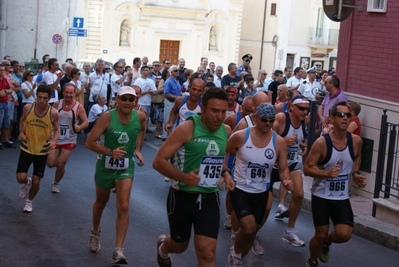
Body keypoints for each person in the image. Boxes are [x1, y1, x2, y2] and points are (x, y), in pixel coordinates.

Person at [153, 87, 234, 267]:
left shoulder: (226, 130)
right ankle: (163, 248)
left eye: (223, 111)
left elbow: (219, 157)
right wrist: (183, 177)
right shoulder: (186, 129)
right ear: (203, 108)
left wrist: (225, 174)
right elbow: (158, 161)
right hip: (182, 196)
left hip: (209, 198)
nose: (220, 116)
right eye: (215, 111)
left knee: (207, 253)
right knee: (179, 245)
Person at [224, 103, 294, 266]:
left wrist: (286, 179)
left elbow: (283, 168)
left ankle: (237, 258)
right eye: (264, 120)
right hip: (240, 188)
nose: (268, 124)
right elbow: (224, 150)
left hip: (261, 191)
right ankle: (234, 250)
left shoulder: (279, 142)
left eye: (271, 120)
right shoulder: (241, 136)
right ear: (255, 118)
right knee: (248, 228)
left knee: (252, 232)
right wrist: (225, 172)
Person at [85, 86, 145, 264]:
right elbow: (89, 142)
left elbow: (141, 130)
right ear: (117, 100)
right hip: (105, 166)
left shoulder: (140, 116)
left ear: (135, 102)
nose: (127, 102)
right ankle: (95, 231)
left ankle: (118, 250)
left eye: (131, 99)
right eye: (124, 99)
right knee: (101, 202)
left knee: (124, 205)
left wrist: (138, 150)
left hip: (125, 167)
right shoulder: (107, 117)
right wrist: (110, 152)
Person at [303, 102, 366, 267]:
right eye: (341, 115)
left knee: (344, 234)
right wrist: (326, 173)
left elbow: (357, 156)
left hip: (341, 197)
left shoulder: (356, 141)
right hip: (321, 196)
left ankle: (327, 242)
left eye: (348, 115)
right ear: (331, 118)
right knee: (320, 234)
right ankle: (311, 260)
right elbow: (307, 168)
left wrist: (355, 173)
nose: (345, 119)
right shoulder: (322, 143)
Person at [271, 95, 309, 247]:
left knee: (299, 194)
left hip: (291, 164)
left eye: (307, 109)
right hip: (272, 165)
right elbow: (265, 137)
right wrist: (282, 142)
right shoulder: (280, 118)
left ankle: (289, 232)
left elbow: (301, 137)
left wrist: (301, 145)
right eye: (301, 108)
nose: (305, 112)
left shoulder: (305, 121)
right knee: (264, 206)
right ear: (291, 106)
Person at [17, 85, 60, 212]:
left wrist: (54, 141)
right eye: (39, 97)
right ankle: (26, 182)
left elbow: (57, 129)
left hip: (42, 151)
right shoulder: (28, 108)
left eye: (45, 98)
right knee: (20, 178)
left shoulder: (53, 113)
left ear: (49, 98)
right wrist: (21, 133)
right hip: (27, 147)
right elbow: (22, 120)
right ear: (36, 96)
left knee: (37, 181)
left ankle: (29, 202)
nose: (41, 101)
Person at [46, 83, 88, 193]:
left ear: (74, 93)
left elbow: (86, 122)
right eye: (67, 92)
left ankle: (55, 183)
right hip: (56, 137)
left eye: (71, 93)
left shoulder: (78, 107)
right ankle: (59, 162)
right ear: (63, 92)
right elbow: (49, 119)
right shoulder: (56, 104)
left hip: (70, 138)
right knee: (50, 164)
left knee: (61, 163)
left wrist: (80, 127)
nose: (69, 95)